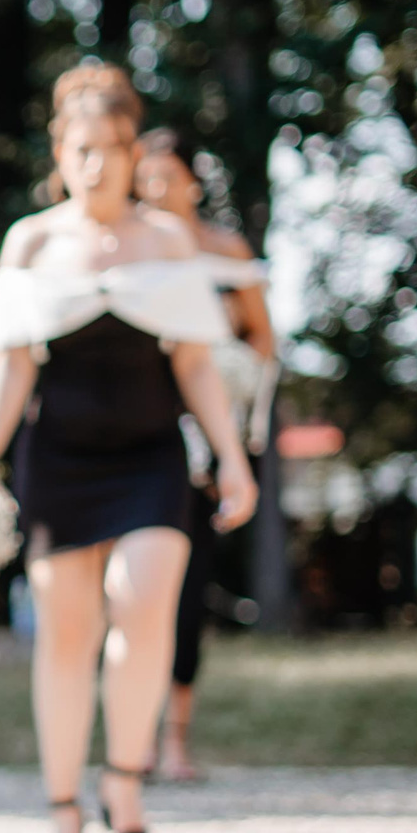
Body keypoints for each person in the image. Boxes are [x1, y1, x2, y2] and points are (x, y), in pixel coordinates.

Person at [0, 66, 257, 833]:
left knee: (146, 599)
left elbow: (196, 361)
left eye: (114, 149)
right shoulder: (33, 240)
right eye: (83, 149)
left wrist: (231, 457)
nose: (98, 164)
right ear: (60, 149)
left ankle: (124, 782)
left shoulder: (168, 240)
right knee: (67, 633)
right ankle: (63, 812)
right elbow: (9, 366)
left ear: (132, 153)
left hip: (151, 455)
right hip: (58, 458)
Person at [134, 130, 279, 782]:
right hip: (139, 433)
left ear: (195, 180)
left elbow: (263, 344)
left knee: (186, 596)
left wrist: (231, 392)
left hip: (206, 449)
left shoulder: (227, 251)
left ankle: (175, 740)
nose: (156, 188)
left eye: (167, 176)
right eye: (146, 177)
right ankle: (128, 734)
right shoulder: (128, 244)